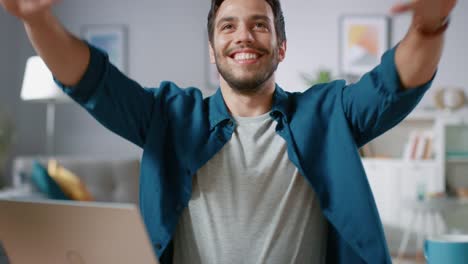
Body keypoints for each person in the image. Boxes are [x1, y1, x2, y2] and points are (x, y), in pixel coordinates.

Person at [0, 0, 458, 263]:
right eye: (228, 26)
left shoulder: (327, 112)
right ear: (213, 47)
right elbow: (93, 82)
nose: (244, 35)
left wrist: (429, 24)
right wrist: (37, 21)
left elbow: (395, 85)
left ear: (280, 47)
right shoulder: (169, 115)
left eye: (260, 24)